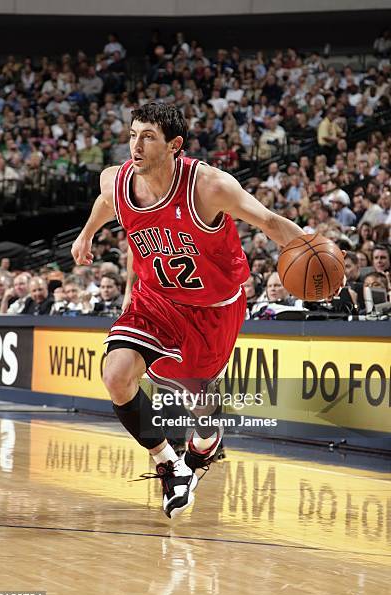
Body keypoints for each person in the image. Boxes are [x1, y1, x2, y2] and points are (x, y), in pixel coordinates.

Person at [71, 102, 305, 519]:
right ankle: (167, 463)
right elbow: (109, 205)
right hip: (155, 300)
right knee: (116, 375)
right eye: (132, 134)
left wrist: (314, 245)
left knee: (199, 402)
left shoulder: (209, 186)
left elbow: (269, 222)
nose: (135, 145)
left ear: (175, 144)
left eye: (148, 137)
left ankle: (207, 441)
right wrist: (87, 234)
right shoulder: (117, 180)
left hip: (212, 309)